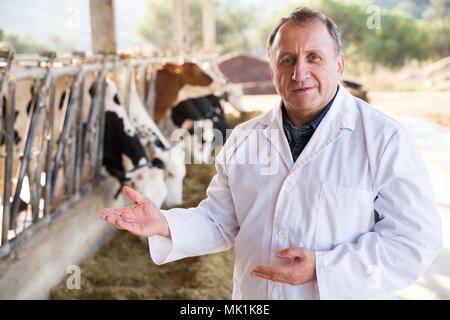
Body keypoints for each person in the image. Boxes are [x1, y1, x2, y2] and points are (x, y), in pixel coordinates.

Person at [100, 7, 442, 299]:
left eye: (314, 58)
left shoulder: (384, 139)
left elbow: (414, 242)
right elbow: (221, 221)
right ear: (271, 71)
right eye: (287, 60)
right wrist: (165, 223)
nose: (299, 73)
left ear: (339, 66)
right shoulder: (244, 139)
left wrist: (324, 269)